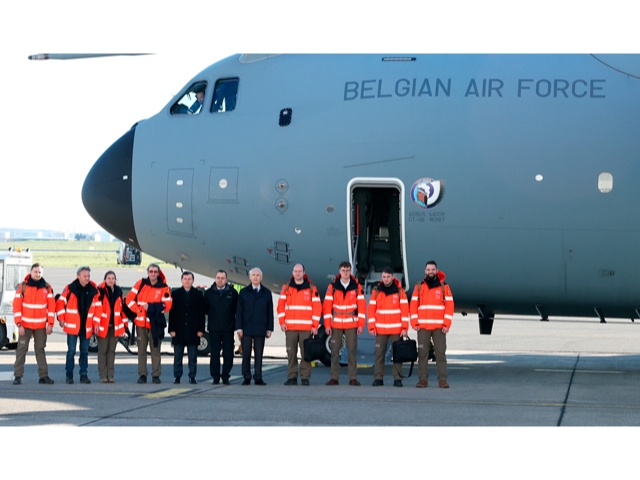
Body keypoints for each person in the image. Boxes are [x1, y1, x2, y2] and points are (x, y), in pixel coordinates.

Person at [126, 263, 173, 384]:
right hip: (141, 324)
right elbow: (129, 299)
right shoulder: (140, 283)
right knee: (141, 350)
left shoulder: (164, 287)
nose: (153, 274)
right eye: (151, 271)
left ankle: (156, 375)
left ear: (158, 273)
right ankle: (142, 374)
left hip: (155, 324)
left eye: (155, 271)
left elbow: (167, 305)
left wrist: (151, 307)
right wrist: (138, 309)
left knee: (155, 350)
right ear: (148, 272)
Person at [410, 261, 454, 388]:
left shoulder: (444, 287)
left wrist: (447, 324)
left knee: (440, 353)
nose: (430, 271)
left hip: (439, 328)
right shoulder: (419, 287)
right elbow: (413, 305)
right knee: (422, 354)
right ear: (425, 271)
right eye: (428, 269)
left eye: (433, 269)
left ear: (436, 270)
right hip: (423, 327)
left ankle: (442, 380)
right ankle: (423, 379)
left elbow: (449, 306)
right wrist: (414, 322)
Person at [323, 261, 366, 386]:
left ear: (350, 271)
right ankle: (334, 378)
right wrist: (327, 325)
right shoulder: (333, 287)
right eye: (343, 270)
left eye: (347, 270)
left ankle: (352, 378)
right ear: (339, 271)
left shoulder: (357, 287)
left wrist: (361, 324)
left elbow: (362, 307)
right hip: (336, 324)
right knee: (334, 351)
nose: (345, 273)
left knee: (352, 351)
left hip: (351, 324)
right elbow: (327, 307)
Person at [56, 266, 102, 384]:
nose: (87, 278)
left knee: (84, 352)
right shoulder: (70, 288)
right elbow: (60, 303)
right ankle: (69, 375)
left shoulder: (94, 290)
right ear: (78, 276)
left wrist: (96, 323)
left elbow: (98, 309)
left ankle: (83, 375)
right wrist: (61, 318)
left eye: (88, 276)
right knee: (71, 351)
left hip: (86, 327)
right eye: (85, 276)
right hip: (72, 327)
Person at [277, 264, 321, 386]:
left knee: (306, 354)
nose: (297, 273)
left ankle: (305, 377)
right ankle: (292, 377)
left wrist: (315, 325)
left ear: (303, 273)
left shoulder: (311, 288)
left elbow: (317, 308)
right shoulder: (286, 288)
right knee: (291, 353)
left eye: (299, 271)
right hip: (290, 328)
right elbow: (280, 306)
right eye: (295, 271)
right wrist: (282, 322)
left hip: (306, 328)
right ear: (292, 272)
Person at [12, 263, 56, 385]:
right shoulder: (22, 287)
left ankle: (43, 376)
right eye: (35, 271)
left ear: (42, 273)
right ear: (31, 272)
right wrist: (19, 324)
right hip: (25, 326)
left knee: (40, 350)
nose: (37, 274)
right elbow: (16, 307)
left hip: (41, 327)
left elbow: (51, 308)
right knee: (21, 350)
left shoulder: (47, 288)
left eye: (40, 272)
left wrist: (50, 324)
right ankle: (17, 376)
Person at [367, 267, 409, 387]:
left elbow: (405, 311)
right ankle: (378, 378)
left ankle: (397, 379)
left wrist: (404, 328)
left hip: (396, 329)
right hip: (380, 330)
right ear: (382, 278)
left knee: (397, 354)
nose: (386, 279)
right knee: (379, 354)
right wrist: (371, 327)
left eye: (388, 277)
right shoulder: (376, 292)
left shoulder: (400, 292)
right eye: (384, 277)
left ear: (392, 277)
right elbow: (371, 310)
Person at [236, 268, 273, 385]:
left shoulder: (266, 293)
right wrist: (239, 328)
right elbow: (239, 311)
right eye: (254, 275)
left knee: (259, 354)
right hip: (246, 328)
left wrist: (269, 328)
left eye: (258, 275)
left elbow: (270, 312)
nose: (256, 277)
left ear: (261, 278)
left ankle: (258, 377)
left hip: (260, 327)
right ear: (250, 277)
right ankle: (246, 376)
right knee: (246, 353)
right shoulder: (243, 292)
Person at [168, 271, 205, 384]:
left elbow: (201, 313)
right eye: (185, 279)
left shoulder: (198, 294)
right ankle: (177, 376)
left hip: (193, 330)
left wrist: (200, 329)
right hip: (179, 330)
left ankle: (192, 376)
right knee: (178, 356)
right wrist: (171, 329)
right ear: (181, 280)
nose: (187, 281)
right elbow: (172, 313)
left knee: (192, 357)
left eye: (189, 279)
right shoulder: (175, 293)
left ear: (193, 281)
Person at [204, 270, 238, 385]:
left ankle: (226, 376)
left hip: (228, 329)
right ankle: (215, 376)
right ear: (215, 279)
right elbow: (206, 309)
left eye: (223, 278)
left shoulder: (233, 293)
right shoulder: (208, 293)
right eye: (218, 277)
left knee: (228, 353)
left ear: (226, 280)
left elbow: (236, 310)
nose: (220, 280)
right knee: (214, 354)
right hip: (214, 328)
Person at [96, 271, 131, 383]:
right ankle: (102, 375)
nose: (111, 280)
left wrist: (125, 326)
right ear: (105, 279)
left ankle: (110, 375)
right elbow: (95, 309)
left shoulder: (119, 292)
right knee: (103, 350)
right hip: (102, 326)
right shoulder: (99, 291)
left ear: (115, 280)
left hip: (114, 327)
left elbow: (121, 311)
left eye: (113, 278)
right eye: (108, 278)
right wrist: (95, 324)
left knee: (112, 351)